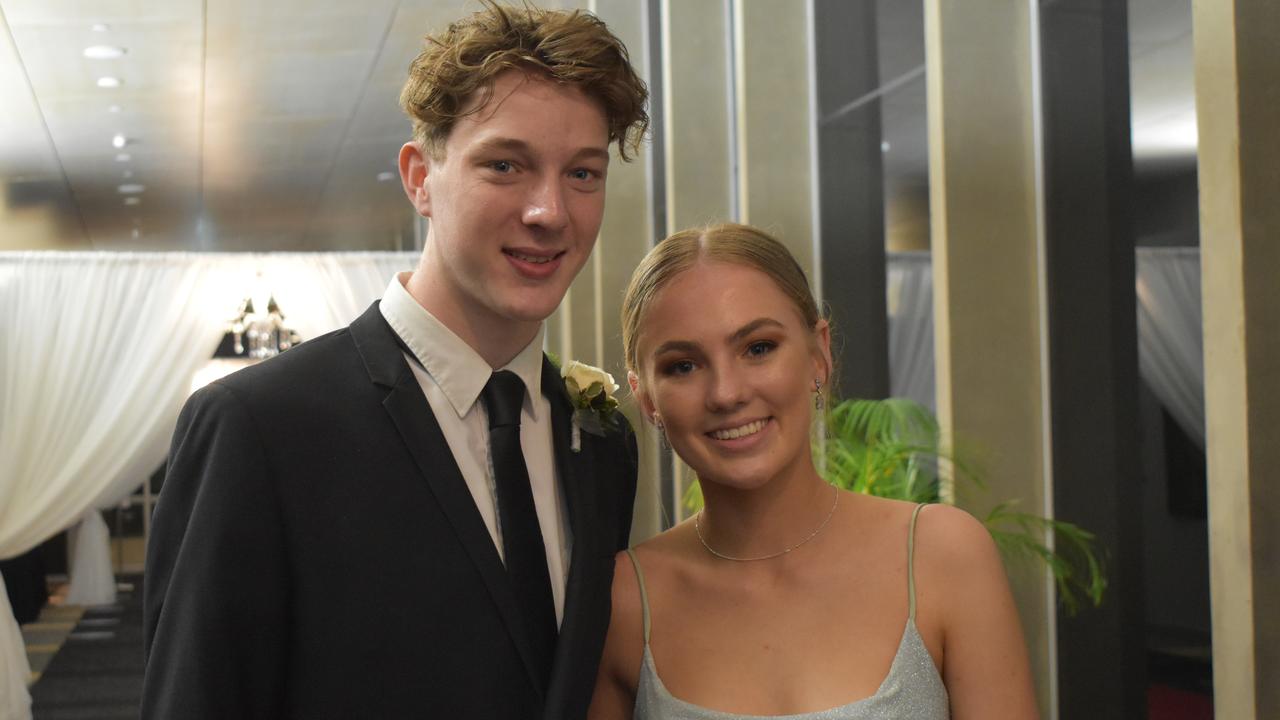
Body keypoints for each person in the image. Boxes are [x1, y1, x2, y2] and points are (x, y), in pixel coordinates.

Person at [142, 3, 647, 718]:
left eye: (584, 174)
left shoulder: (602, 440)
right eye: (506, 164)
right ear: (419, 178)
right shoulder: (259, 429)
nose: (550, 211)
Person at [589, 224, 1039, 719]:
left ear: (818, 355)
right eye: (683, 366)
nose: (727, 393)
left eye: (758, 348)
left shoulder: (942, 556)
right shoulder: (624, 600)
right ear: (647, 396)